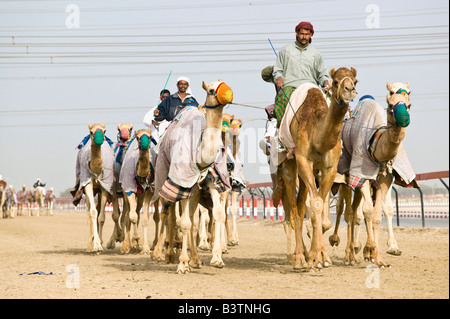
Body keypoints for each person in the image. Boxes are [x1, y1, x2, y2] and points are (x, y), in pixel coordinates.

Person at [272, 21, 331, 124]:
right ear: (296, 33)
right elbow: (278, 70)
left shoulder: (316, 54)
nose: (304, 37)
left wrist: (326, 83)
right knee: (282, 100)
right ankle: (280, 129)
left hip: (310, 87)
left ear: (311, 35)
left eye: (307, 34)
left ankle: (330, 134)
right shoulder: (286, 50)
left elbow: (322, 74)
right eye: (302, 34)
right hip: (291, 86)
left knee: (329, 101)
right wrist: (279, 78)